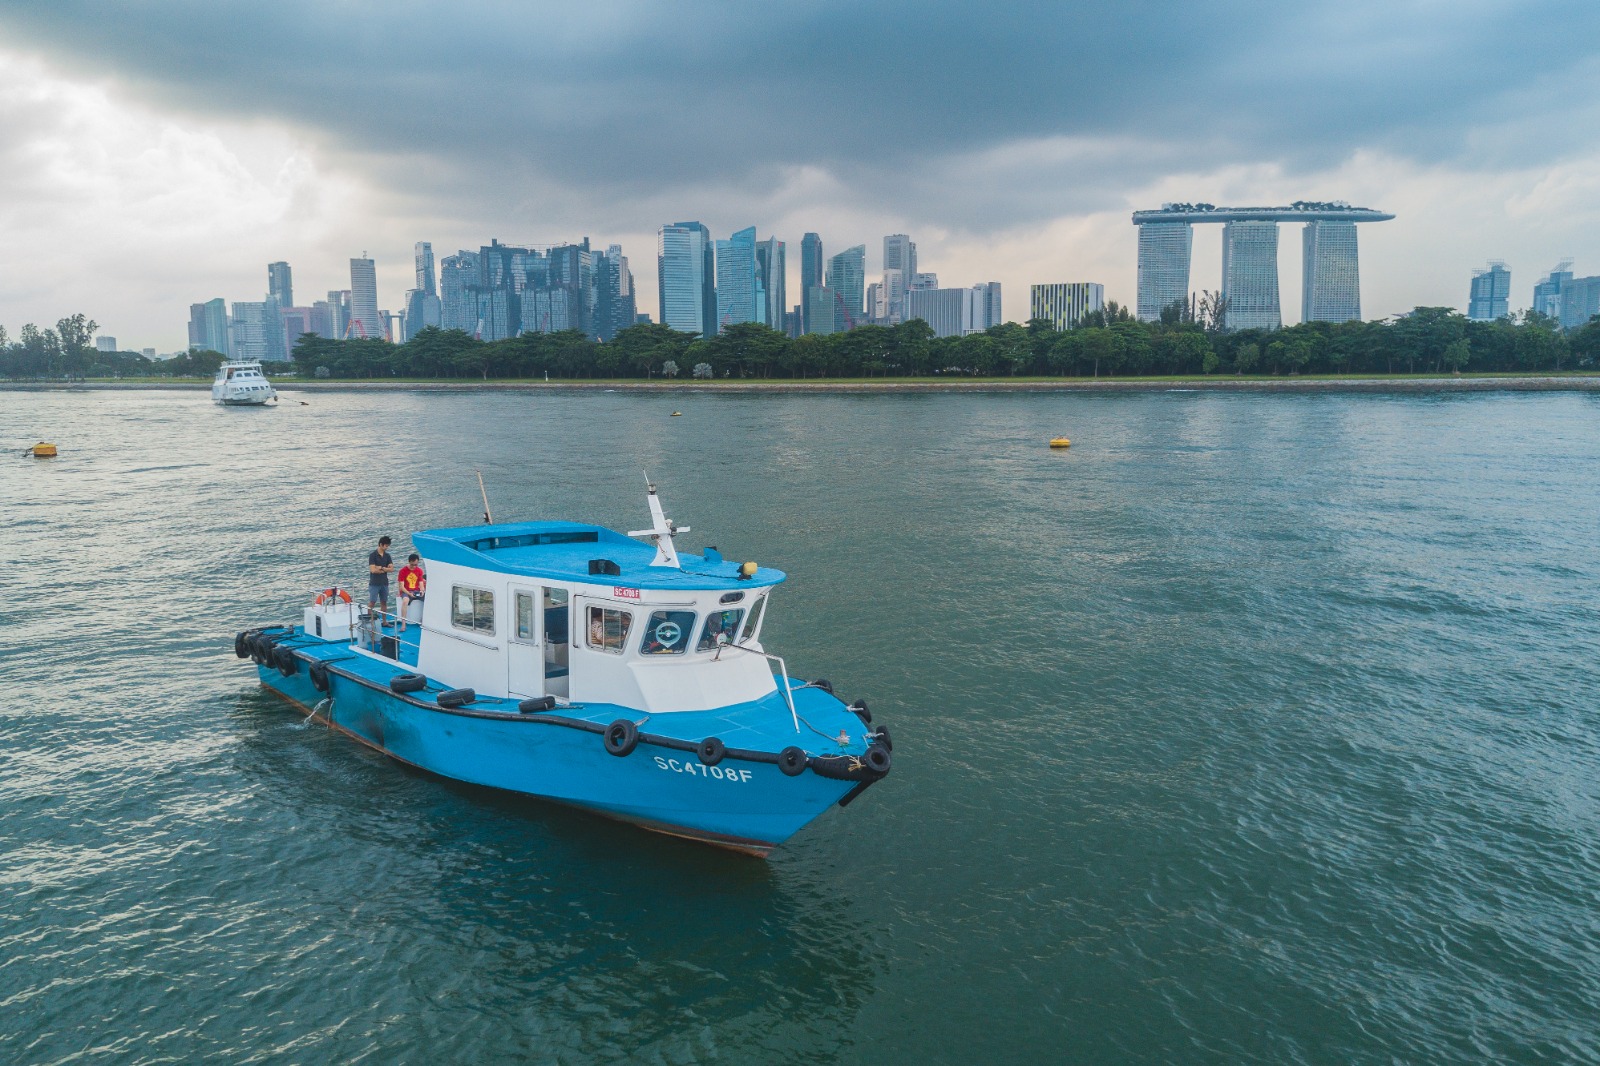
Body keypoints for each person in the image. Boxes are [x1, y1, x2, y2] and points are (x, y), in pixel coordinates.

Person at [367, 536, 394, 622]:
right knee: (372, 602)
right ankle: (369, 621)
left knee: (384, 602)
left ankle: (385, 621)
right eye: (386, 546)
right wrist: (385, 569)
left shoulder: (387, 556)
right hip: (374, 583)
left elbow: (391, 569)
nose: (387, 547)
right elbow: (373, 570)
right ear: (381, 544)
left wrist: (381, 568)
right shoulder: (373, 555)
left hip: (384, 583)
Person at [397, 554, 426, 631]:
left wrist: (422, 591)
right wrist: (409, 594)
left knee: (428, 599)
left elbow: (421, 583)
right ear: (409, 562)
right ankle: (403, 624)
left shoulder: (419, 570)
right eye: (412, 565)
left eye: (415, 565)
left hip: (416, 590)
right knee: (405, 601)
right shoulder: (402, 571)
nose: (413, 567)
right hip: (406, 591)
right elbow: (402, 587)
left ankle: (422, 620)